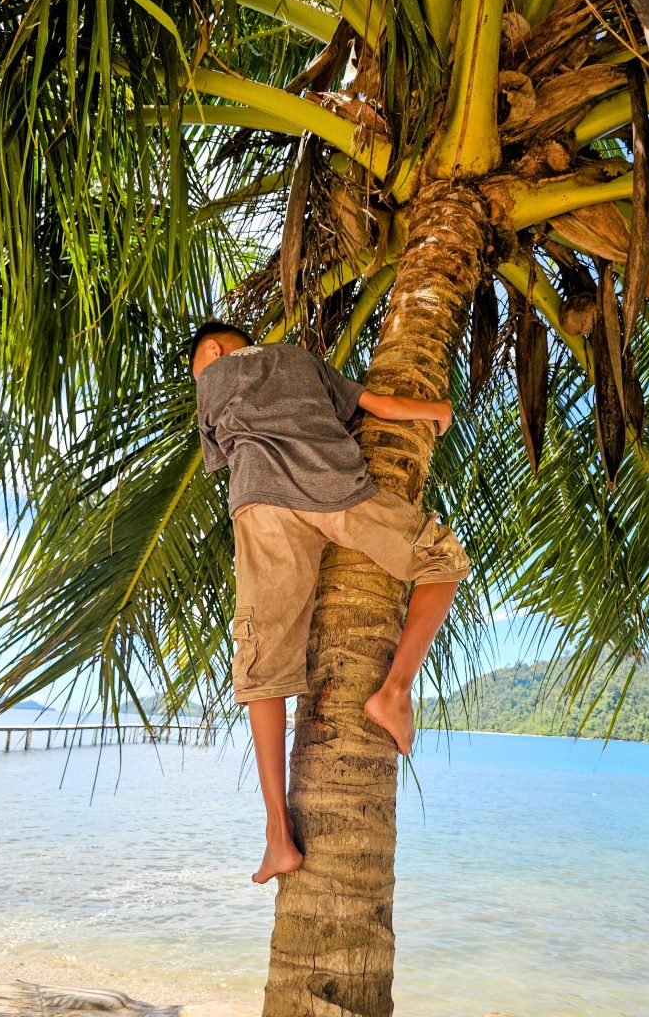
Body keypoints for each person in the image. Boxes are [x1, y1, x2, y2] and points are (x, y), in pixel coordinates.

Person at [190, 320, 471, 883]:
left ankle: (278, 835)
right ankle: (393, 692)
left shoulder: (213, 377)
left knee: (263, 665)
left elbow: (222, 455)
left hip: (264, 510)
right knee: (443, 561)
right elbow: (382, 405)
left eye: (197, 362)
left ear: (214, 351)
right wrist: (436, 409)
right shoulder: (304, 360)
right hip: (338, 490)